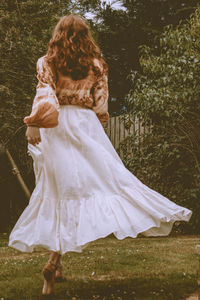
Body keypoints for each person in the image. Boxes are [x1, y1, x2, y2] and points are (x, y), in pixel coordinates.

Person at [8, 14, 192, 296]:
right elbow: (101, 106)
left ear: (58, 35)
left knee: (59, 192)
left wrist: (34, 122)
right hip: (85, 127)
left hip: (55, 127)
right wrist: (94, 124)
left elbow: (44, 94)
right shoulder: (96, 65)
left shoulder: (47, 62)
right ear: (86, 37)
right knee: (104, 184)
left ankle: (55, 264)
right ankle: (55, 263)